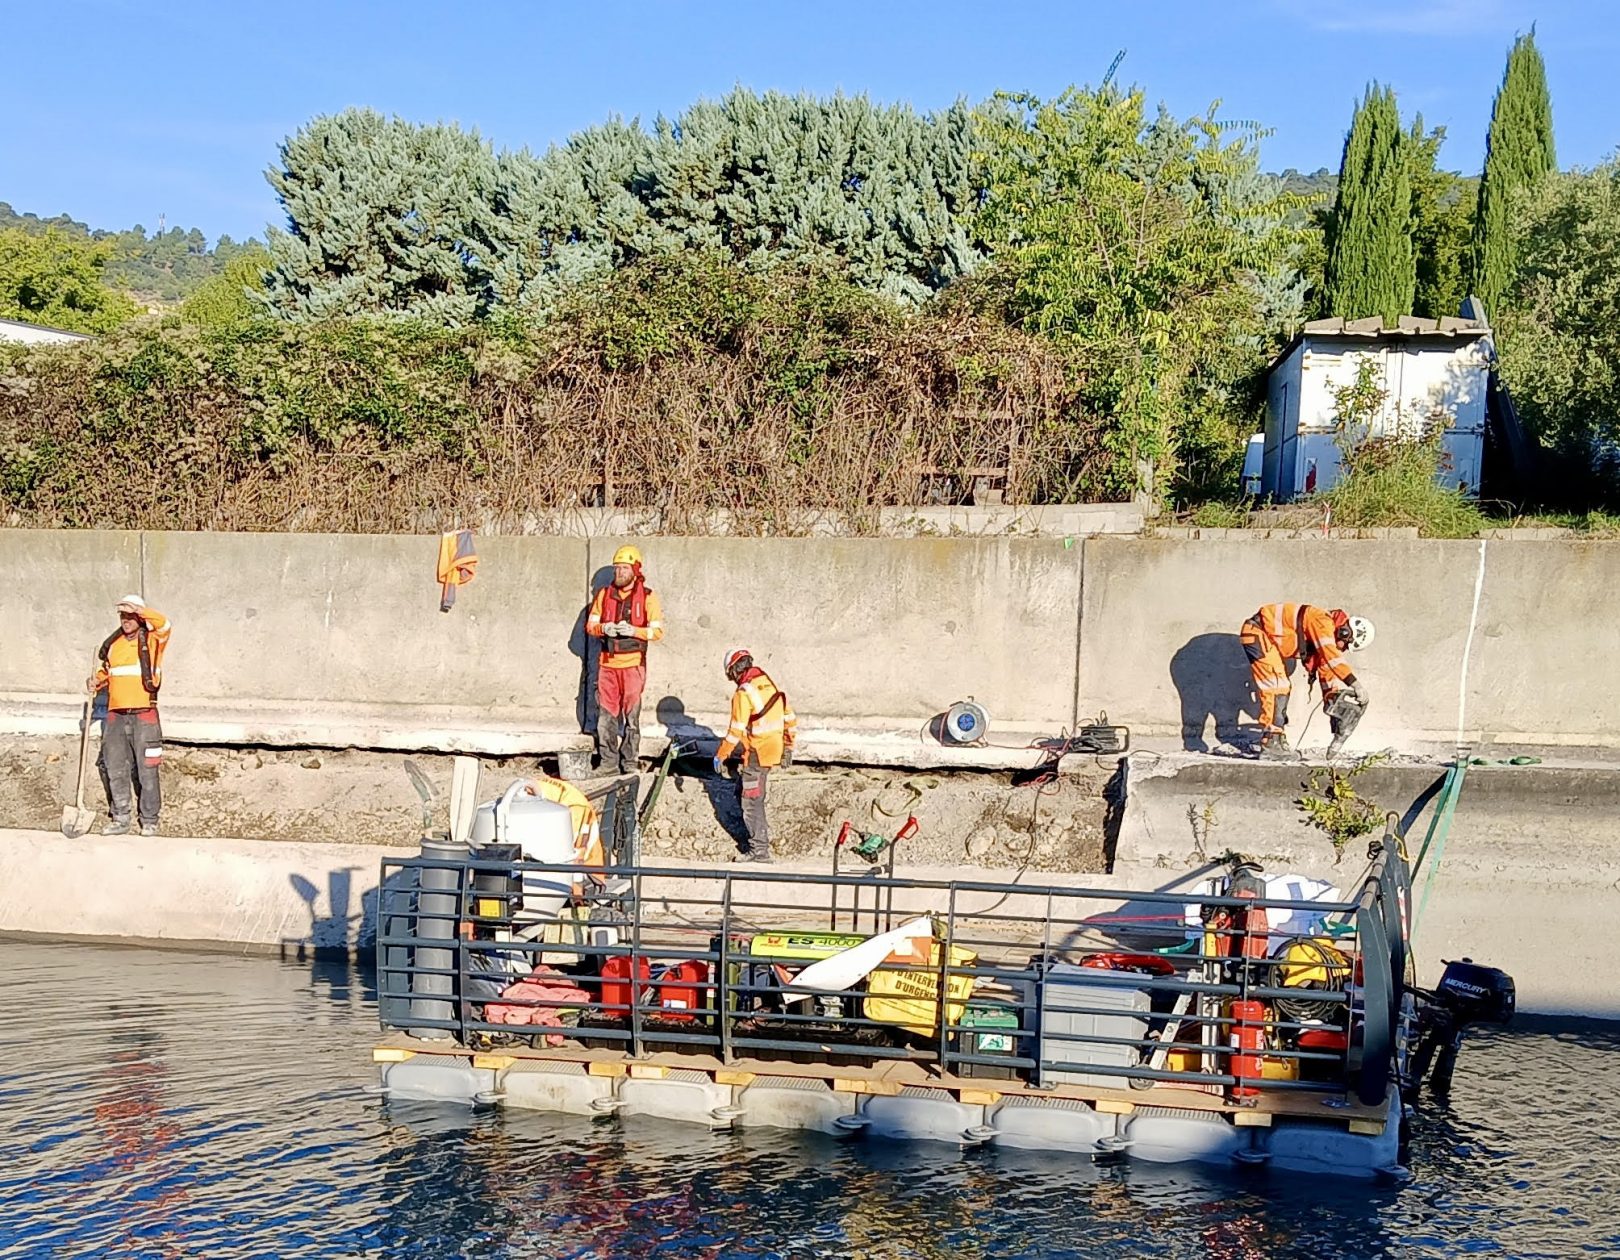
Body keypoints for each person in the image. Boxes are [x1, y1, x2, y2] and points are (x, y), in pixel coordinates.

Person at [1239, 603, 1373, 758]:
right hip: (1258, 632)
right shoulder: (1322, 621)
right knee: (1277, 685)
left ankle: (1277, 738)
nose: (1342, 649)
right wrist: (1356, 685)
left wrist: (1332, 698)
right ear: (1345, 633)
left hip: (1265, 639)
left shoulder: (1325, 636)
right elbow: (1332, 658)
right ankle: (1271, 742)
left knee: (1281, 685)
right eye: (1346, 645)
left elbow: (1326, 670)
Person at [89, 594, 172, 836]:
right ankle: (120, 818)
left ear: (139, 615)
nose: (125, 620)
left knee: (148, 768)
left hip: (145, 714)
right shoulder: (114, 645)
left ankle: (149, 819)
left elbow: (165, 624)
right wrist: (96, 681)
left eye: (130, 615)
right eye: (122, 616)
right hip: (116, 715)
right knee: (115, 767)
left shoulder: (153, 639)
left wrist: (139, 608)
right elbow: (108, 671)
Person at [585, 545, 663, 775]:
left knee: (631, 716)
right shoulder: (603, 595)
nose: (619, 572)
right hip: (607, 664)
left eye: (624, 568)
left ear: (635, 570)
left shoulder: (648, 597)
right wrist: (604, 628)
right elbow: (590, 626)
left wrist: (633, 631)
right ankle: (608, 762)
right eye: (617, 568)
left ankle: (629, 761)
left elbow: (657, 632)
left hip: (633, 665)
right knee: (606, 716)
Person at [713, 648, 797, 862]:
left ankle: (759, 850)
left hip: (757, 754)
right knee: (746, 791)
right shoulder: (767, 683)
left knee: (752, 802)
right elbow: (789, 716)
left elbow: (736, 730)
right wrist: (788, 745)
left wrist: (721, 755)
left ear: (732, 672)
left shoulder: (744, 693)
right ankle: (755, 836)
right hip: (772, 749)